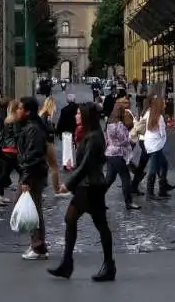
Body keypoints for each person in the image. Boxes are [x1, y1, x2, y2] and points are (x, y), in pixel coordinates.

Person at [49, 103, 116, 282]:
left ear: (86, 116)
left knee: (101, 226)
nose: (76, 116)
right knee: (70, 219)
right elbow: (84, 164)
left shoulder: (94, 137)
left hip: (91, 188)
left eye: (79, 114)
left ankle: (109, 265)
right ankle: (67, 263)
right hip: (85, 188)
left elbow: (87, 166)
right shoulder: (89, 135)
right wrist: (73, 167)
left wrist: (67, 185)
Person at [16, 97, 50, 260]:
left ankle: (38, 246)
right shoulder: (30, 127)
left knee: (33, 210)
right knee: (33, 209)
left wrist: (26, 180)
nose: (17, 111)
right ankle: (37, 244)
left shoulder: (33, 130)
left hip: (33, 175)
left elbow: (33, 156)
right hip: (33, 173)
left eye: (20, 108)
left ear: (28, 111)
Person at [104, 102, 141, 210]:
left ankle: (97, 199)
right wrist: (130, 140)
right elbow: (124, 140)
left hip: (109, 153)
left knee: (109, 179)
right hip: (118, 154)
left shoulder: (109, 124)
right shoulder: (119, 125)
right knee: (126, 178)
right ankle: (128, 202)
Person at [143, 95, 173, 199]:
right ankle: (150, 192)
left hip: (151, 144)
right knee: (153, 168)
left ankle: (163, 187)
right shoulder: (159, 117)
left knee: (164, 164)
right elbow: (162, 133)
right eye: (164, 103)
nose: (165, 105)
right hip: (155, 145)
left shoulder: (149, 113)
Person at [0, 100, 21, 207]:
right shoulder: (16, 121)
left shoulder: (7, 119)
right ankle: (25, 197)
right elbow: (17, 136)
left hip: (5, 150)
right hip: (12, 151)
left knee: (4, 174)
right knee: (24, 173)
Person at [39, 97, 63, 194]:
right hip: (47, 142)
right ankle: (57, 189)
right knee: (54, 166)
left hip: (44, 142)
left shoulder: (42, 115)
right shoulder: (46, 115)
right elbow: (47, 129)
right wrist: (53, 128)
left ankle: (44, 186)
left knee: (46, 166)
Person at [57, 94, 79, 171]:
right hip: (77, 130)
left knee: (67, 149)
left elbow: (61, 122)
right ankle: (79, 163)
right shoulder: (79, 108)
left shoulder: (64, 110)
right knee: (78, 148)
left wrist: (58, 131)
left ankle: (67, 164)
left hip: (67, 132)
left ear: (67, 100)